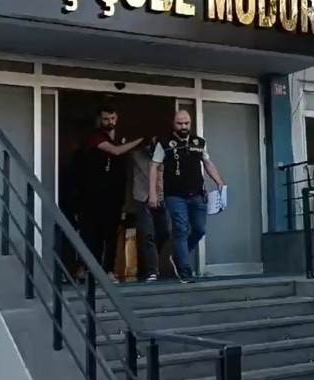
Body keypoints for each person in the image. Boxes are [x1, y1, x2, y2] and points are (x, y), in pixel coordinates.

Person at [149, 110, 225, 283]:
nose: (183, 126)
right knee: (181, 230)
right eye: (179, 123)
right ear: (173, 124)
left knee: (199, 229)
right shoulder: (164, 143)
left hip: (197, 193)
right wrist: (153, 193)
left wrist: (218, 181)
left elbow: (207, 162)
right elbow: (154, 166)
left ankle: (178, 256)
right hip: (174, 195)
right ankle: (185, 270)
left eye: (186, 123)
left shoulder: (198, 142)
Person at [79, 105, 142, 283]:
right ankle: (91, 270)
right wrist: (140, 140)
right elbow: (116, 151)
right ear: (99, 119)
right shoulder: (95, 137)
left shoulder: (118, 138)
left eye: (113, 118)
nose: (110, 122)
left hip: (115, 195)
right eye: (106, 119)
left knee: (111, 235)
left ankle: (108, 270)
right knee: (95, 235)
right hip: (94, 195)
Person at [129, 137, 169, 282]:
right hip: (142, 197)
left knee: (164, 233)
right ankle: (152, 270)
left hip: (161, 197)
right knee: (147, 234)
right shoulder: (137, 155)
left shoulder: (166, 154)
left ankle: (149, 260)